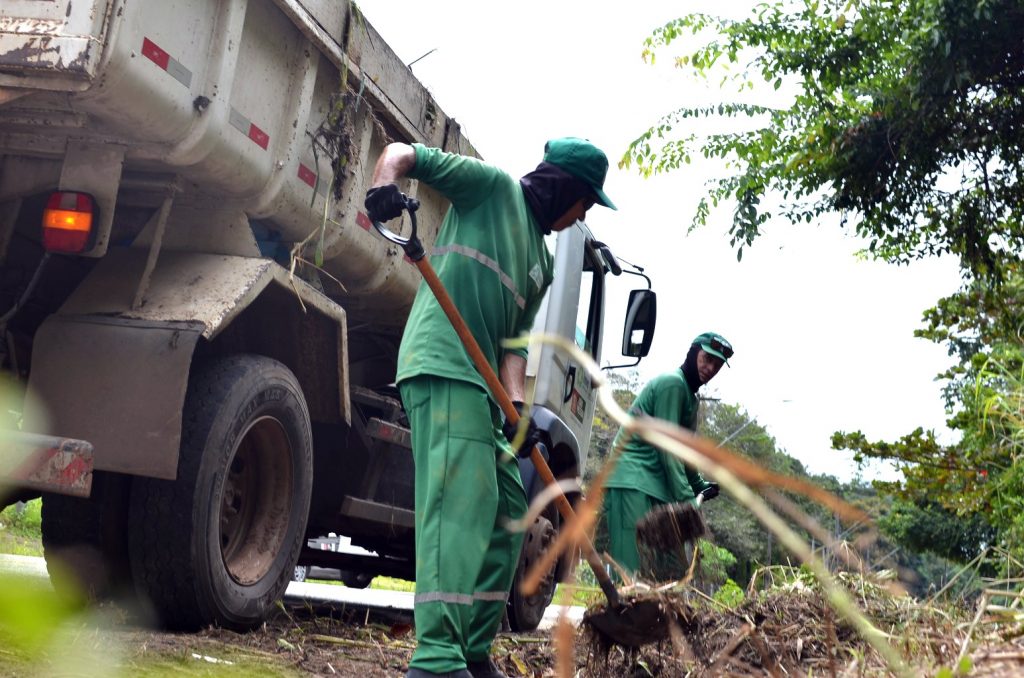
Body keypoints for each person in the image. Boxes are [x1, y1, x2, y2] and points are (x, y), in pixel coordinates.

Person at [364, 137, 616, 678]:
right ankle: (435, 658)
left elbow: (512, 345)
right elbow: (403, 152)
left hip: (480, 385)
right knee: (461, 505)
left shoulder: (541, 262)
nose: (581, 216)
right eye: (585, 203)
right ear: (564, 189)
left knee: (509, 511)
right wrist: (385, 186)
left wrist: (519, 414)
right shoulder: (492, 189)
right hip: (440, 362)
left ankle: (473, 651)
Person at [602, 331, 734, 579]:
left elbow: (684, 453)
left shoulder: (690, 400)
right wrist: (687, 500)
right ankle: (624, 615)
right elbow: (668, 451)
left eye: (717, 365)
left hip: (656, 488)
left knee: (668, 572)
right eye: (707, 358)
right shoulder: (672, 384)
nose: (710, 368)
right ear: (693, 353)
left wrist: (699, 486)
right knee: (632, 571)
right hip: (632, 480)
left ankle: (653, 618)